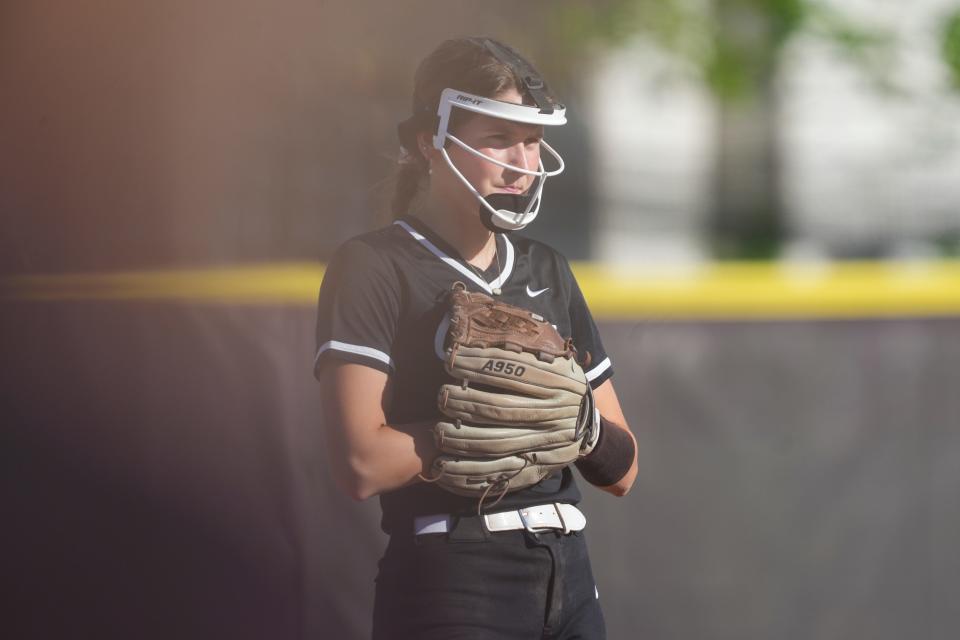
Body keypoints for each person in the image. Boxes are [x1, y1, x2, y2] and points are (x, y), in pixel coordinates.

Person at [314, 36, 639, 640]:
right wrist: (478, 430)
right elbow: (359, 463)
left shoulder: (547, 268)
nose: (523, 161)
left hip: (568, 571)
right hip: (454, 573)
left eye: (533, 141)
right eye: (498, 139)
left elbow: (623, 472)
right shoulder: (375, 265)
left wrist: (579, 427)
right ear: (427, 141)